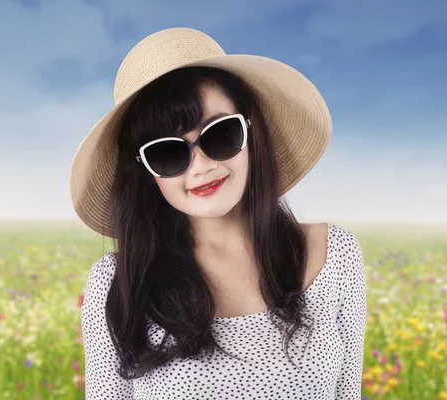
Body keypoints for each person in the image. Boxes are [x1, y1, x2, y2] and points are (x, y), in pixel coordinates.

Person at [69, 27, 367, 400]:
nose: (201, 165)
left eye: (219, 134)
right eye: (168, 153)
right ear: (145, 172)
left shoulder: (336, 253)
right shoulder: (117, 282)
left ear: (251, 133)